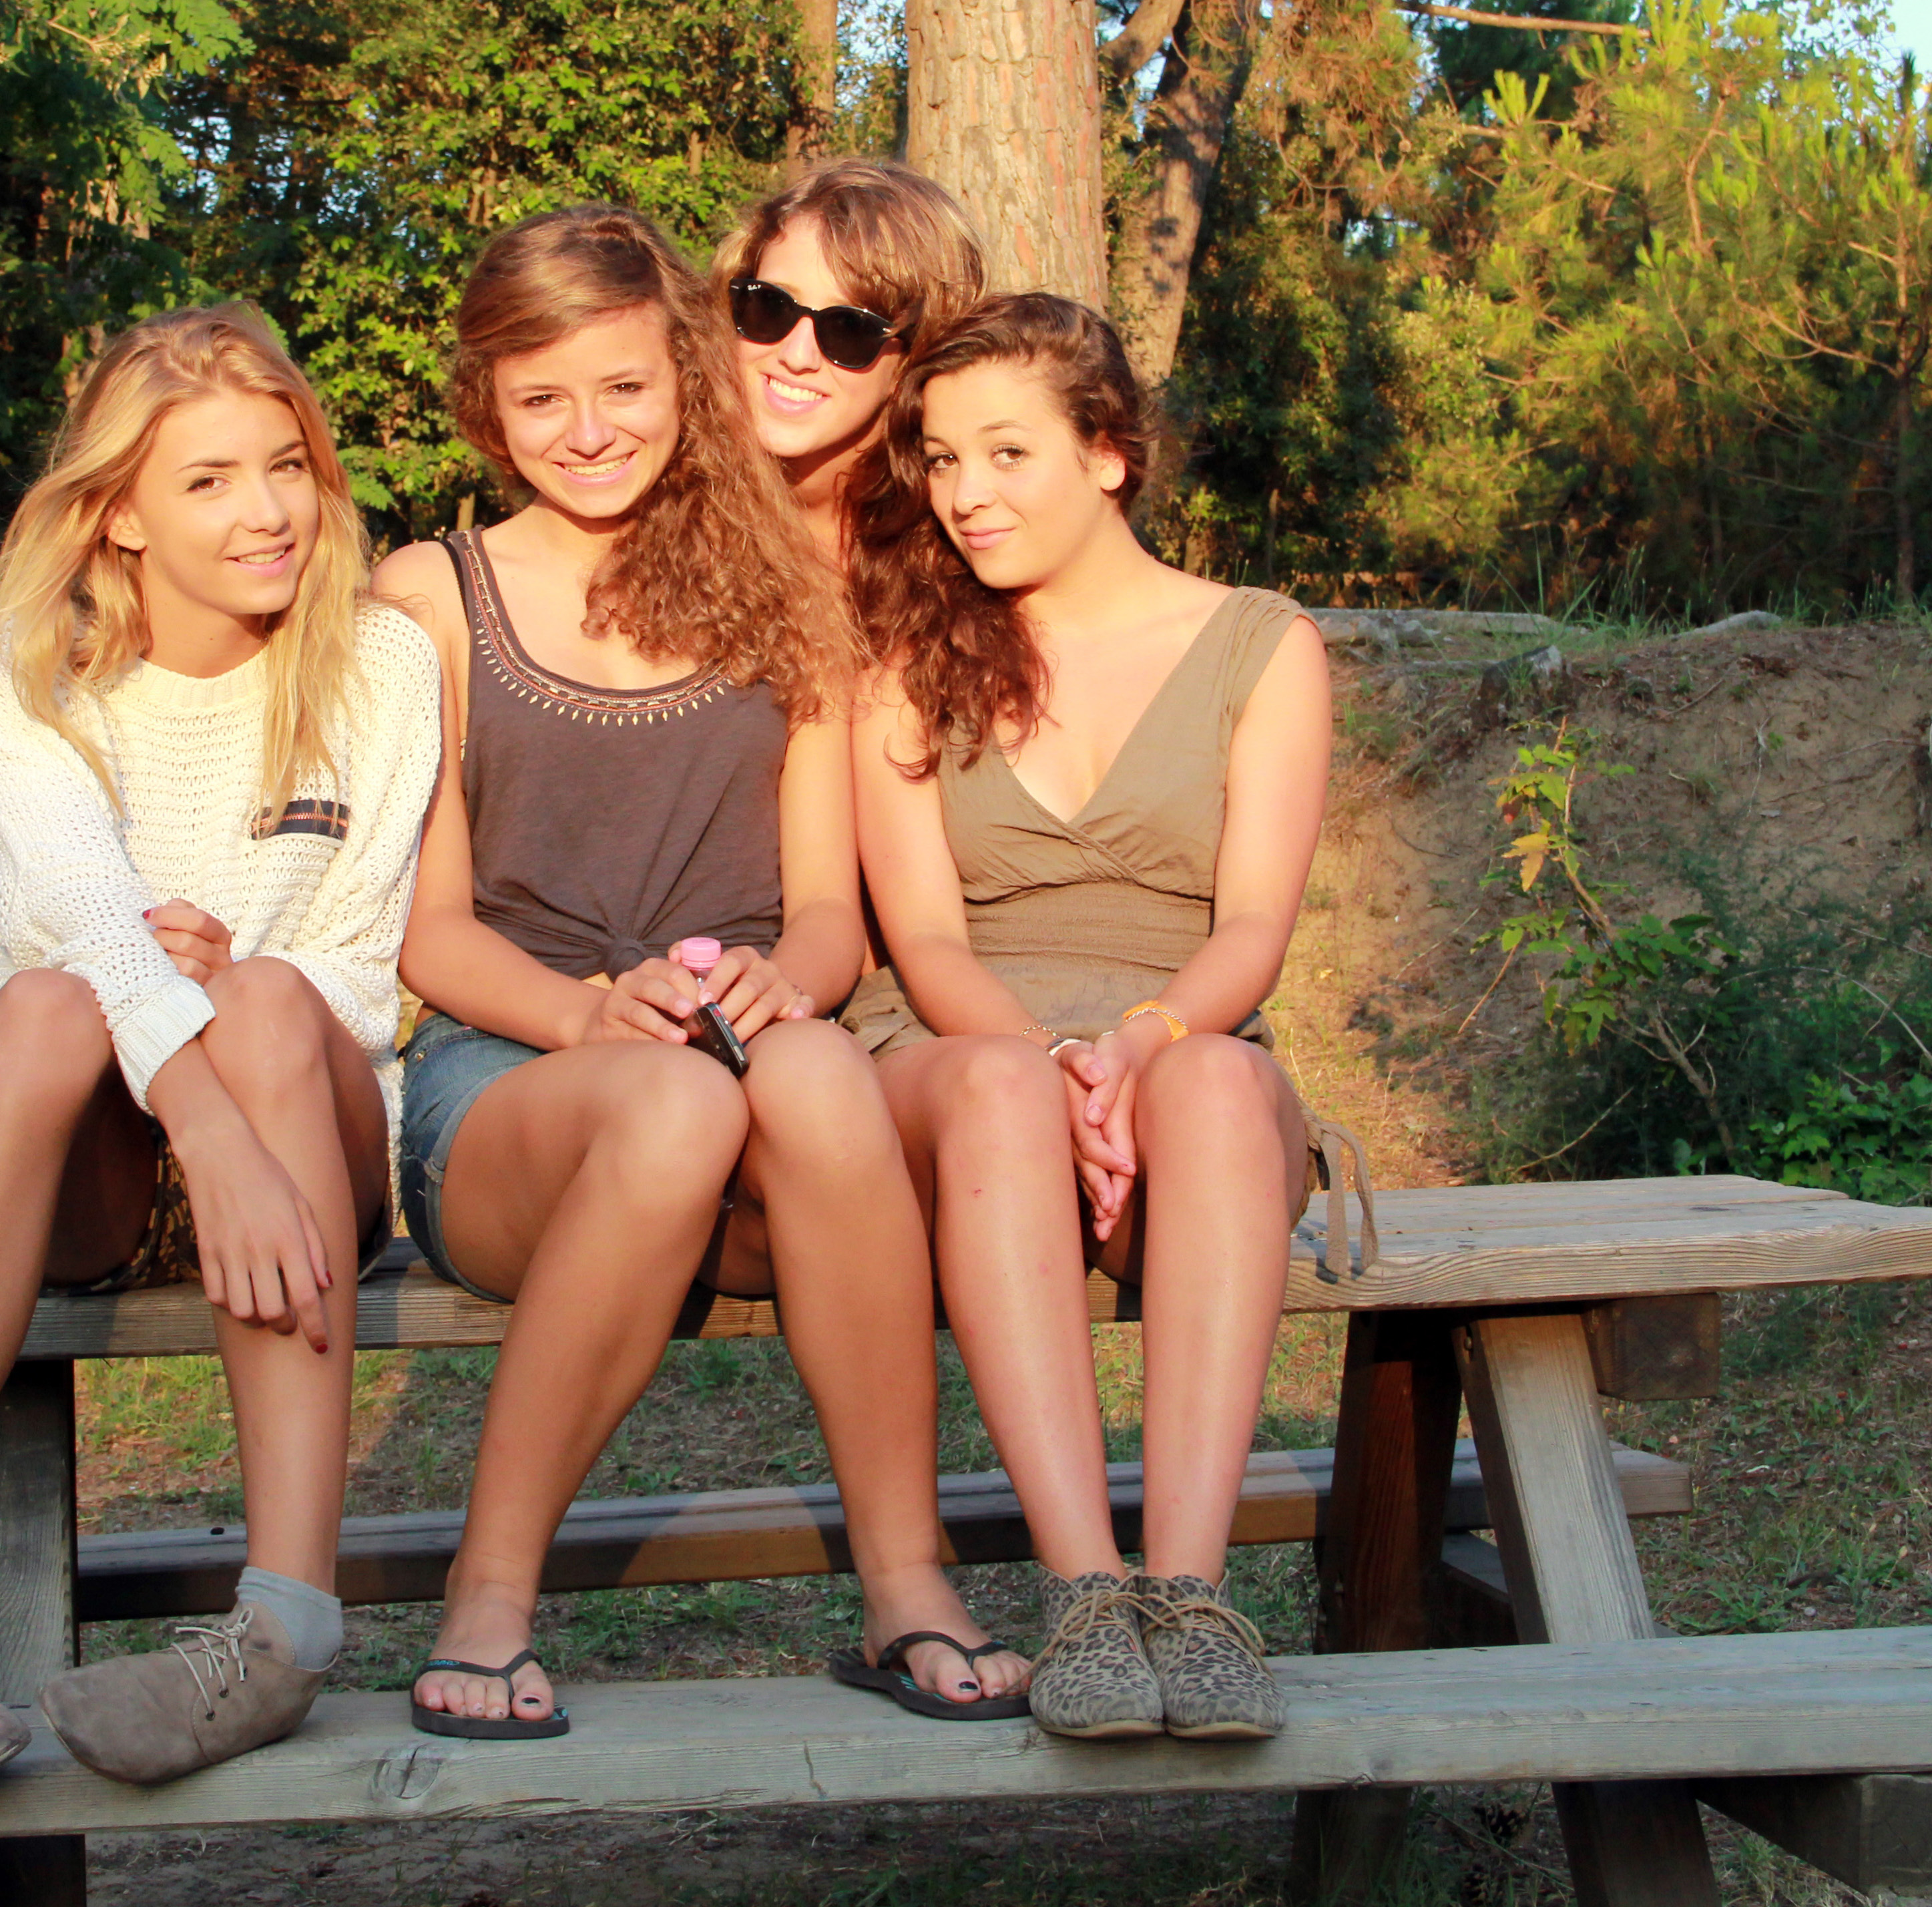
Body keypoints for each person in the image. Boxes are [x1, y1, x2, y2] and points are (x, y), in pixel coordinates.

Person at [377, 204, 1025, 1739]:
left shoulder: (790, 599)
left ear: (681, 378)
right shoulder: (429, 596)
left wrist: (780, 990)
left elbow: (823, 913)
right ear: (486, 408)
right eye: (540, 399)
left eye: (621, 389)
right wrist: (584, 1016)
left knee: (802, 1067)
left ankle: (905, 1586)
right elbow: (424, 932)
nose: (586, 431)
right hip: (510, 1077)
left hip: (738, 1059)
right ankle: (487, 1597)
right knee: (665, 1109)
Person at [0, 305, 440, 1799]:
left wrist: (224, 1025)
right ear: (121, 517)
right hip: (90, 1155)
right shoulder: (11, 668)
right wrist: (193, 1105)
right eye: (210, 480)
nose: (268, 510)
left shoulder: (381, 666)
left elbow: (359, 972)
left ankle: (280, 1631)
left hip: (303, 1144)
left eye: (285, 464)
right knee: (39, 1011)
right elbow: (81, 921)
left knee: (278, 995)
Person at [847, 292, 1369, 1742]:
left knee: (1207, 1088)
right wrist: (1034, 1060)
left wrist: (1137, 1043)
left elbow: (1252, 928)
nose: (964, 495)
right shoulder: (901, 656)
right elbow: (924, 934)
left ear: (1108, 454)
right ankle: (1084, 1590)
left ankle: (1188, 1596)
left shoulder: (1262, 646)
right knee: (1004, 1091)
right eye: (940, 462)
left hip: (1173, 1035)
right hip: (958, 1052)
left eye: (1004, 454)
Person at [714, 157, 988, 566]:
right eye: (769, 306)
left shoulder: (966, 536)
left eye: (849, 329)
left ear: (914, 357)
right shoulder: (655, 505)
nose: (797, 355)